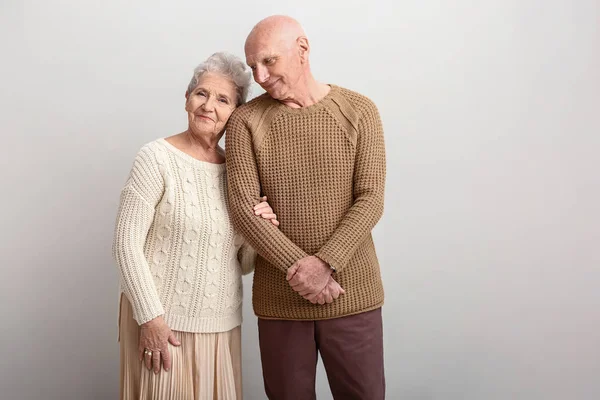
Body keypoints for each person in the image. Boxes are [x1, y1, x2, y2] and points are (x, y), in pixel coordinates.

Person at [226, 15, 387, 400]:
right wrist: (302, 270)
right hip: (281, 302)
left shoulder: (360, 111)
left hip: (351, 294)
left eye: (268, 61)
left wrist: (324, 263)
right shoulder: (245, 121)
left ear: (302, 50)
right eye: (252, 67)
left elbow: (370, 198)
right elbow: (244, 208)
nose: (260, 77)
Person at [112, 52, 278, 400]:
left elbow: (243, 263)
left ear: (235, 112)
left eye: (222, 99)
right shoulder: (155, 157)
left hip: (221, 326)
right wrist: (150, 318)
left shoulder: (239, 171)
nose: (207, 105)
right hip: (160, 322)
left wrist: (260, 225)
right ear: (187, 99)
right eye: (201, 93)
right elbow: (125, 245)